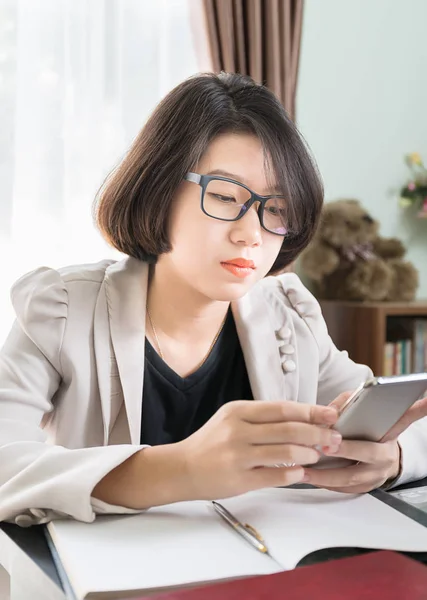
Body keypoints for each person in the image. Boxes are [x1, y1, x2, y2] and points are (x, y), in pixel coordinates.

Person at [0, 72, 426, 528]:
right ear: (159, 189)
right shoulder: (61, 310)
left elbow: (392, 420)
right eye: (224, 196)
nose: (251, 234)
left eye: (276, 209)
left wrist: (395, 456)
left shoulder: (290, 316)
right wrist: (183, 469)